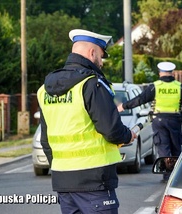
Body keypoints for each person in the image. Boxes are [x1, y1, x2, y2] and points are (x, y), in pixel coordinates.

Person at [37, 29, 137, 214]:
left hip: (63, 182)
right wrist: (128, 135)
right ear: (92, 53)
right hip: (94, 181)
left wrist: (60, 167)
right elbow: (111, 130)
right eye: (100, 55)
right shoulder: (91, 84)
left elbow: (46, 139)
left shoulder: (44, 90)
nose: (101, 61)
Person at [117, 62, 182, 182]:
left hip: (159, 121)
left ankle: (167, 175)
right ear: (172, 73)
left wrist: (124, 106)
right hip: (175, 121)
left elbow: (140, 99)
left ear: (160, 73)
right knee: (175, 147)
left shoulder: (155, 86)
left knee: (163, 147)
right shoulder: (180, 87)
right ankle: (176, 175)